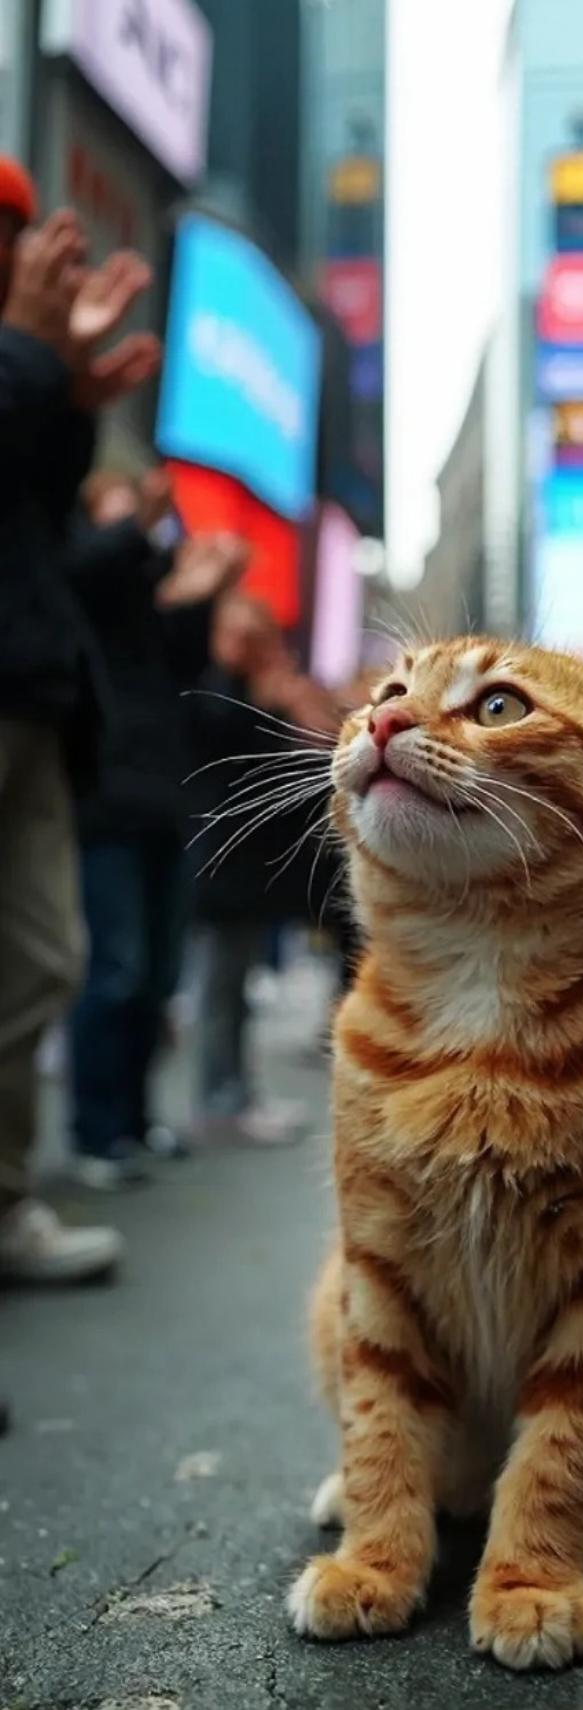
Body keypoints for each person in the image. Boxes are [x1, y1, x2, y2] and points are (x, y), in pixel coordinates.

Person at [0, 162, 160, 1281]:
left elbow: (30, 524)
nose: (26, 254)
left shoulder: (21, 363)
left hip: (35, 697)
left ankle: (5, 1209)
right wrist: (33, 361)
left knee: (45, 958)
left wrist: (63, 395)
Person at [67, 468, 247, 1189]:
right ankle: (95, 1131)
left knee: (155, 977)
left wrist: (202, 591)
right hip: (106, 802)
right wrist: (133, 521)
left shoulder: (148, 603)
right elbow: (93, 569)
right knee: (115, 969)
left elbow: (187, 666)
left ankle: (135, 1121)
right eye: (114, 509)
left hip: (163, 807)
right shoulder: (86, 577)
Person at [185, 596, 339, 1146]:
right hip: (222, 869)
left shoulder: (250, 693)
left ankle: (236, 1095)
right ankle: (220, 1100)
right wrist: (280, 711)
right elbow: (241, 770)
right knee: (222, 990)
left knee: (234, 989)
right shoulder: (216, 692)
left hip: (245, 874)